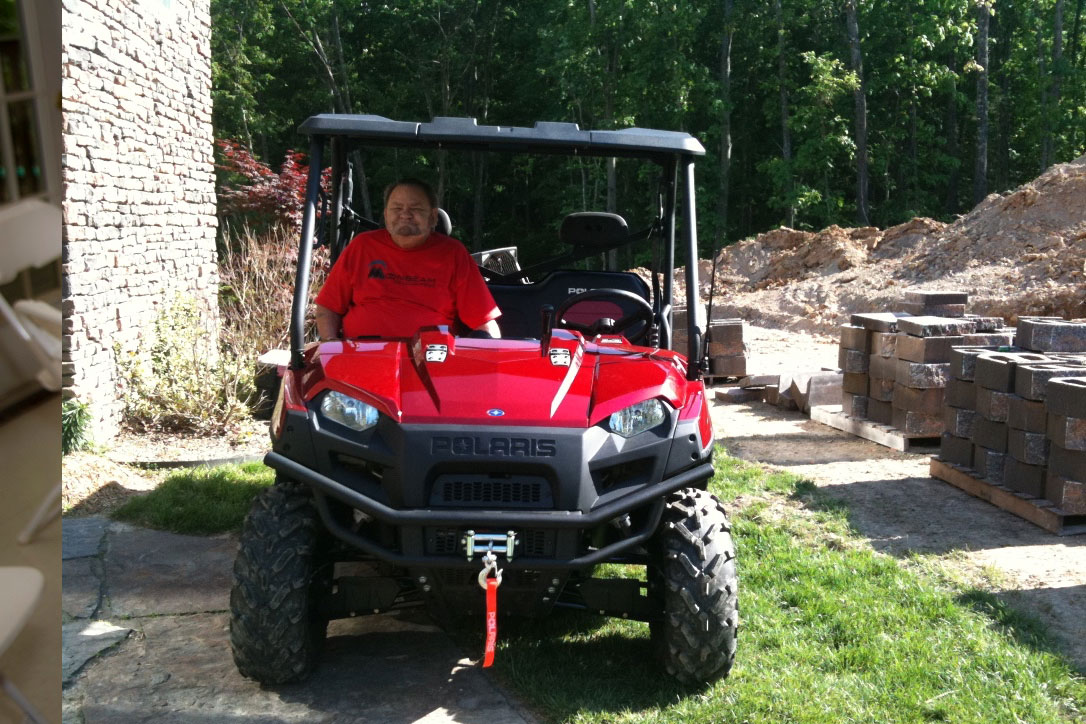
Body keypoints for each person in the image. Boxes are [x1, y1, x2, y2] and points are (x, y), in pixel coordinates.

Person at [314, 178, 502, 340]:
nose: (405, 214)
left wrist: (490, 353)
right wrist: (330, 343)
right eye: (397, 208)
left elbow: (484, 324)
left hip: (433, 364)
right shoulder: (362, 246)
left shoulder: (453, 254)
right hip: (362, 359)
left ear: (433, 217)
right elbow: (327, 307)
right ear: (386, 215)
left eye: (416, 208)